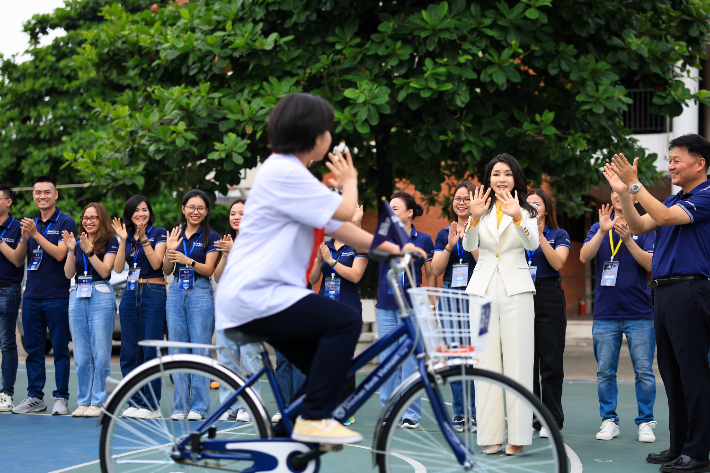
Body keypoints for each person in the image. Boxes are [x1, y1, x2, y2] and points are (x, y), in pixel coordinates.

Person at [214, 92, 425, 445]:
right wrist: (350, 180)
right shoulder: (284, 171)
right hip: (258, 295)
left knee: (323, 372)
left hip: (263, 296)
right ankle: (313, 420)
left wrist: (396, 248)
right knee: (344, 320)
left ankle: (283, 443)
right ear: (314, 135)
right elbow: (344, 212)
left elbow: (343, 229)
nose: (330, 136)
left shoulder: (289, 173)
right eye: (327, 128)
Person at [604, 134, 710, 471]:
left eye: (677, 159)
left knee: (693, 373)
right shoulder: (676, 198)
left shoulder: (706, 195)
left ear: (700, 163)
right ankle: (680, 444)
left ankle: (698, 451)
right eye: (671, 159)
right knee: (672, 372)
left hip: (690, 291)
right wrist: (624, 192)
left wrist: (635, 186)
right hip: (663, 293)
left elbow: (662, 217)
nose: (671, 166)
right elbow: (640, 224)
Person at [462, 153, 539, 456]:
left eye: (507, 173)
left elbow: (532, 244)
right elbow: (469, 247)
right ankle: (490, 436)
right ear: (488, 179)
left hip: (516, 291)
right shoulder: (480, 208)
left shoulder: (528, 209)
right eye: (496, 174)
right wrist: (474, 219)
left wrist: (518, 215)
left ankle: (518, 437)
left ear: (516, 177)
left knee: (518, 364)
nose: (501, 178)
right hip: (481, 292)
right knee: (485, 364)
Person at [579, 191, 656, 443]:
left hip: (640, 312)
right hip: (605, 312)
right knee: (604, 372)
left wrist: (629, 240)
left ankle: (646, 422)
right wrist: (602, 231)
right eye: (614, 191)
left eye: (623, 191)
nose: (617, 195)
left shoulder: (645, 226)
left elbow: (650, 265)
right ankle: (609, 420)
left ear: (634, 198)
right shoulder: (598, 226)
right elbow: (583, 257)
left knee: (644, 371)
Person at [12, 176, 77, 415]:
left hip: (57, 295)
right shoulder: (29, 225)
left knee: (60, 348)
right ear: (33, 195)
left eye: (47, 192)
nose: (42, 196)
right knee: (34, 349)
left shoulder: (66, 222)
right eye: (37, 192)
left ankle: (61, 397)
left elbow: (61, 254)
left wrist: (37, 235)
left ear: (56, 195)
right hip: (31, 295)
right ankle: (34, 397)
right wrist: (26, 238)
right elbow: (20, 260)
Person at [375, 191, 435, 430]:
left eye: (396, 208)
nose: (391, 212)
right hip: (386, 307)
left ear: (410, 212)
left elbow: (430, 273)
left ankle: (410, 413)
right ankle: (389, 411)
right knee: (388, 360)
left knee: (411, 361)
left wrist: (430, 304)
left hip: (413, 307)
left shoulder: (425, 240)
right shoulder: (383, 238)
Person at [309, 204, 368, 426]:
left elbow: (355, 276)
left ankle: (346, 408)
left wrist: (331, 261)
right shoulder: (325, 246)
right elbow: (315, 280)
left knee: (345, 359)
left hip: (348, 309)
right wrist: (318, 259)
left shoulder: (357, 246)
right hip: (325, 308)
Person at [164, 189, 220, 421]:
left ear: (206, 211)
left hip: (200, 290)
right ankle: (179, 407)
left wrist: (188, 260)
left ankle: (199, 407)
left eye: (200, 208)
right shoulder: (175, 234)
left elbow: (209, 270)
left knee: (200, 350)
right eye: (191, 207)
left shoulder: (212, 237)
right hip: (176, 290)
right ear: (183, 209)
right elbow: (167, 270)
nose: (195, 212)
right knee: (177, 351)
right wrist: (170, 250)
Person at [112, 196, 168, 419]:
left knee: (150, 350)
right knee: (129, 351)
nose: (141, 214)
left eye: (144, 210)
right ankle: (135, 401)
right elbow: (117, 269)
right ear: (129, 214)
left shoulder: (159, 232)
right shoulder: (127, 237)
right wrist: (123, 240)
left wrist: (144, 240)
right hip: (130, 293)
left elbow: (157, 264)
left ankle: (151, 405)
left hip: (153, 292)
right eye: (136, 211)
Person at [62, 203, 118, 417]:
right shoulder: (76, 242)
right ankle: (84, 401)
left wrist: (89, 251)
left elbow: (105, 270)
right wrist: (70, 251)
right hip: (78, 294)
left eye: (93, 217)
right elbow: (68, 273)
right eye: (85, 217)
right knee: (82, 354)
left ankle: (99, 401)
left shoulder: (111, 241)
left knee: (101, 353)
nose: (88, 221)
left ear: (102, 219)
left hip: (100, 293)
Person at [431, 182, 479, 433]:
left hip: (475, 292)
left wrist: (470, 236)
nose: (461, 202)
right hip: (450, 293)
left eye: (466, 198)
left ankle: (478, 413)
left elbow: (483, 262)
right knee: (455, 357)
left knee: (475, 356)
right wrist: (450, 245)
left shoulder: (481, 227)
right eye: (457, 198)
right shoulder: (443, 233)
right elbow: (436, 270)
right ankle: (460, 413)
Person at [526, 189, 571, 438]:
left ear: (546, 209)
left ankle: (552, 419)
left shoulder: (559, 234)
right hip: (522, 294)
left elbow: (558, 263)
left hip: (549, 295)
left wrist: (540, 235)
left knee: (551, 362)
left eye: (537, 203)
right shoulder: (518, 235)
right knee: (527, 363)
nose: (532, 207)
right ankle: (533, 417)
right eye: (528, 203)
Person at [213, 199, 262, 422]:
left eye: (242, 213)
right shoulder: (226, 242)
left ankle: (250, 404)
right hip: (226, 306)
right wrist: (225, 255)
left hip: (248, 306)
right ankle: (228, 405)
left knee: (249, 357)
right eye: (233, 213)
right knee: (226, 357)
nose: (236, 217)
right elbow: (218, 277)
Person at [0, 184, 24, 412]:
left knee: (7, 342)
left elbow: (18, 260)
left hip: (7, 289)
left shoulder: (17, 228)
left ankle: (6, 394)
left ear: (8, 202)